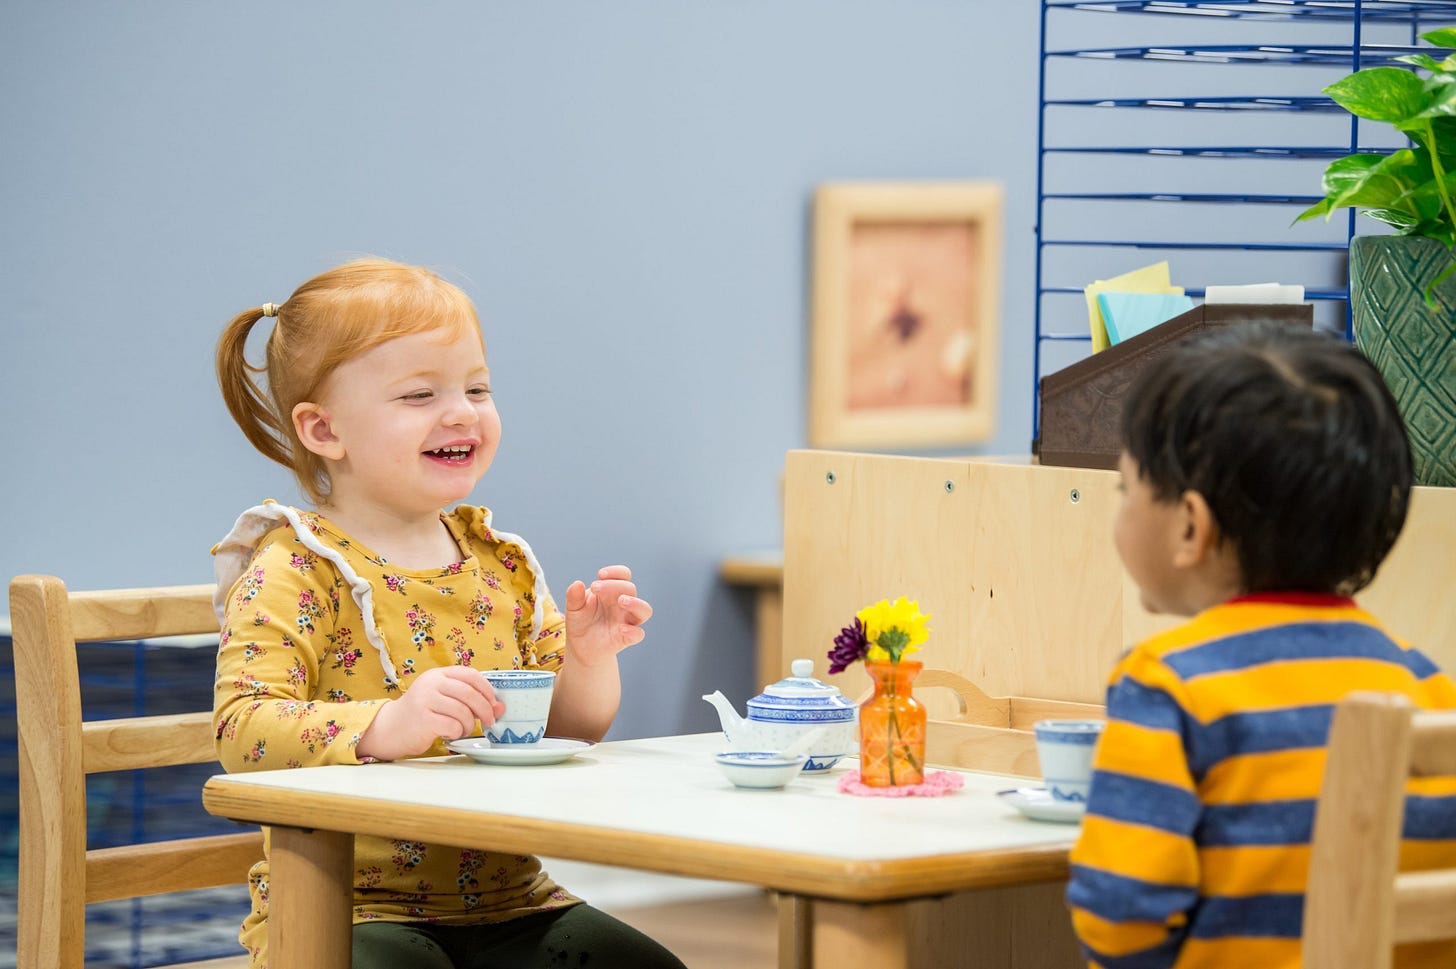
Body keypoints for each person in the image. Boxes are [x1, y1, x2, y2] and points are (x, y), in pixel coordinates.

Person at [211, 257, 686, 969]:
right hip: (348, 907)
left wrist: (587, 660)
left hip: (515, 898)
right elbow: (241, 731)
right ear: (322, 429)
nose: (461, 410)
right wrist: (385, 724)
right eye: (419, 394)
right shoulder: (294, 567)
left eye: (477, 387)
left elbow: (569, 728)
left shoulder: (503, 562)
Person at [1066, 321, 1456, 969]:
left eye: (1123, 489)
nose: (1119, 508)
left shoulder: (1169, 688)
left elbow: (1120, 915)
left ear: (1190, 525)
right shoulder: (1431, 692)